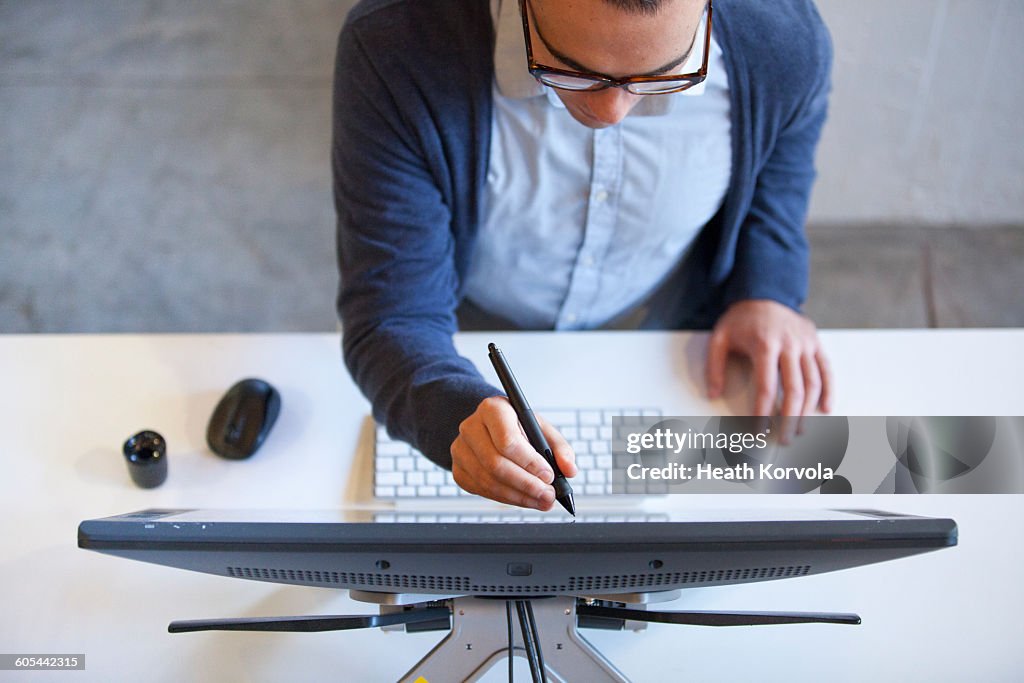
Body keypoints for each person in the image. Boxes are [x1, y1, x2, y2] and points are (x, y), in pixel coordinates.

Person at [333, 0, 834, 511]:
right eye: (568, 71)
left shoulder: (785, 42)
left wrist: (766, 290)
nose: (608, 113)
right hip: (471, 324)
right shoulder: (393, 45)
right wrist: (455, 412)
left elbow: (779, 176)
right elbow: (392, 313)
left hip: (666, 327)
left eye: (662, 77)